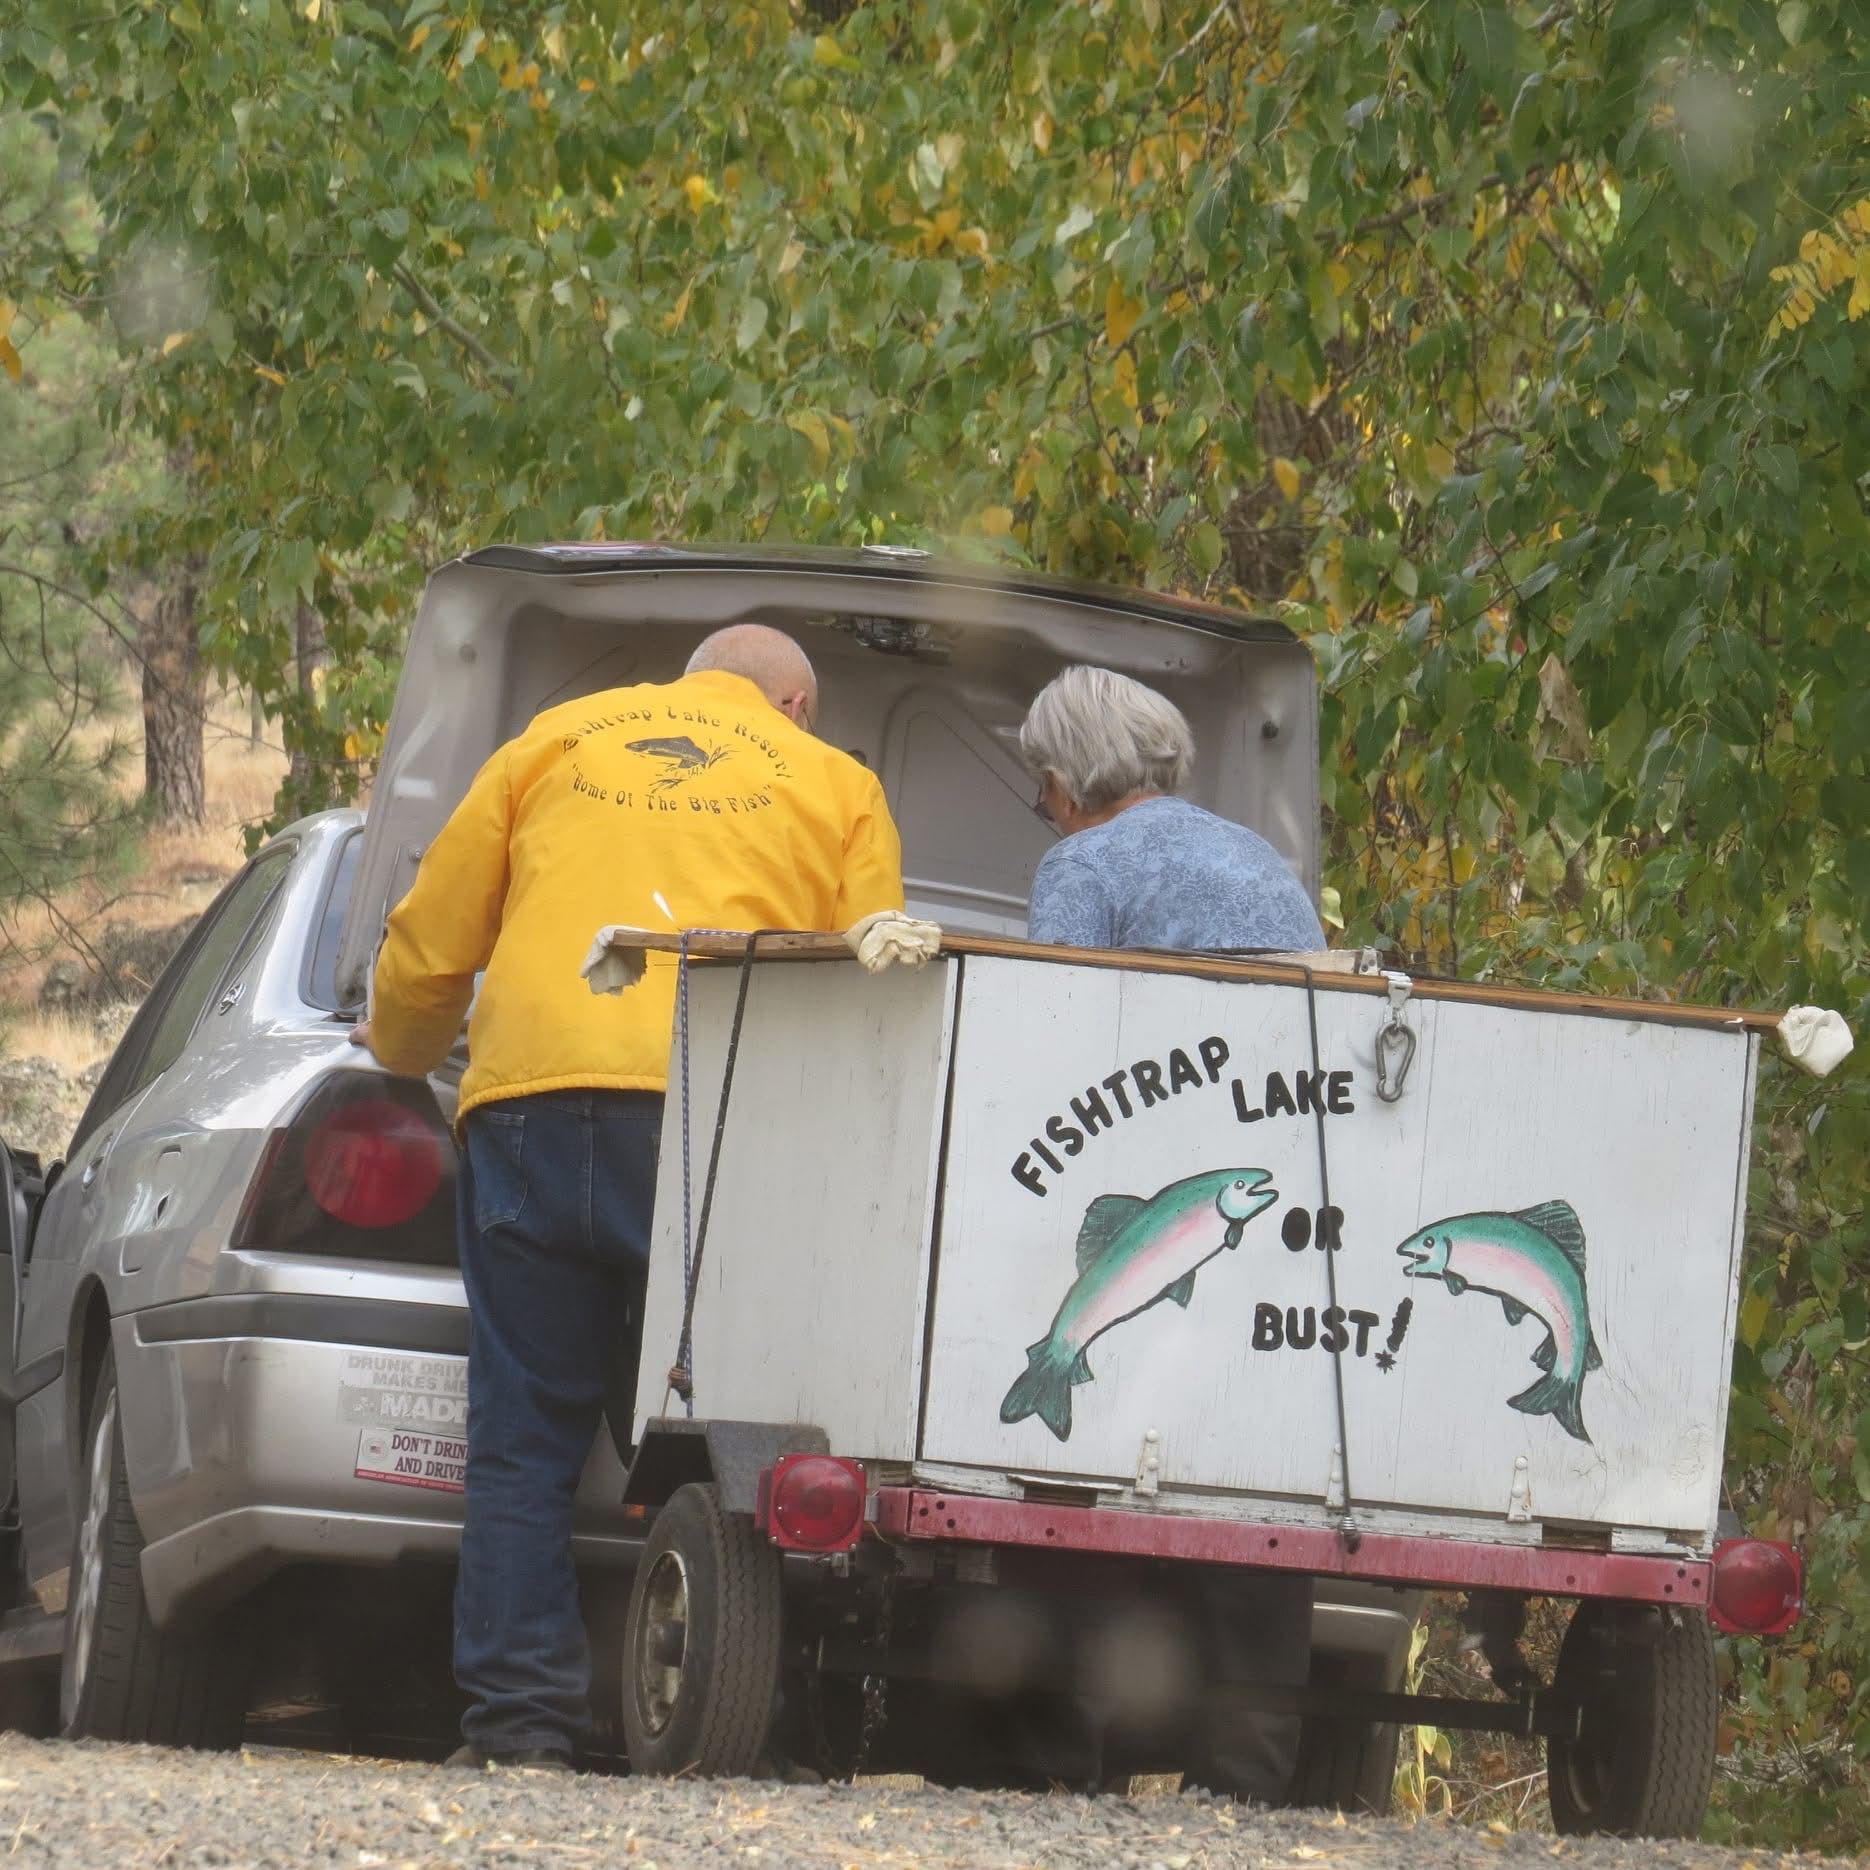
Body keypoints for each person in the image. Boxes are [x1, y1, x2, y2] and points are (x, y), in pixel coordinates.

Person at [354, 625, 904, 1771]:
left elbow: (427, 949)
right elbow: (877, 992)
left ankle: (518, 1727)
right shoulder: (835, 784)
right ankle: (733, 1723)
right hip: (715, 1114)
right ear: (793, 706)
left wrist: (403, 1050)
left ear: (692, 680)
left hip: (531, 1106)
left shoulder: (548, 741)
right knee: (732, 1434)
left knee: (521, 1433)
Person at [1017, 662, 1320, 1804]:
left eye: (1037, 788)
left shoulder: (1082, 862)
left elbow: (1055, 1041)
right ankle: (1246, 1771)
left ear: (1062, 779)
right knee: (1245, 1471)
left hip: (1147, 1199)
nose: (1041, 808)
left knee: (1090, 1463)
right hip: (1269, 1195)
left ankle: (1063, 1763)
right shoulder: (1262, 861)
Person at [1021, 664, 1325, 954]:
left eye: (1046, 803)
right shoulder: (1260, 854)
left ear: (1061, 789)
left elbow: (1055, 1004)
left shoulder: (1079, 863)